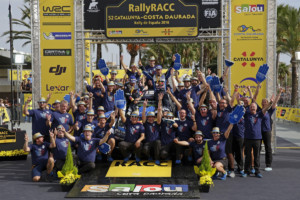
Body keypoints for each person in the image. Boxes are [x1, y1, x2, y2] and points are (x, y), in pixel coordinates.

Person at [242, 101, 273, 178]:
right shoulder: (246, 114)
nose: (252, 107)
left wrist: (270, 103)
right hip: (248, 138)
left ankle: (257, 171)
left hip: (257, 138)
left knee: (257, 156)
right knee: (248, 156)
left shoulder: (259, 114)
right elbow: (240, 109)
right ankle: (247, 171)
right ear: (249, 108)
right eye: (251, 106)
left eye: (254, 106)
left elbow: (265, 109)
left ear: (256, 108)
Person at [260, 88, 283, 171]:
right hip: (259, 132)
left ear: (267, 103)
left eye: (265, 102)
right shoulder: (259, 110)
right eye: (263, 102)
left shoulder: (269, 111)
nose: (264, 103)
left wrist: (279, 93)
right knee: (257, 148)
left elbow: (275, 102)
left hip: (267, 132)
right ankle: (255, 165)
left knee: (268, 148)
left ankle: (268, 165)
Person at [141, 99, 162, 164]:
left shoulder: (157, 123)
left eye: (152, 117)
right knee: (144, 149)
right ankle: (149, 156)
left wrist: (159, 106)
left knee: (158, 142)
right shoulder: (145, 123)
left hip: (156, 141)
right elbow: (143, 116)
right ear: (147, 118)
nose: (151, 118)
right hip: (148, 142)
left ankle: (157, 159)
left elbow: (159, 117)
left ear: (154, 117)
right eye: (149, 117)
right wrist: (144, 107)